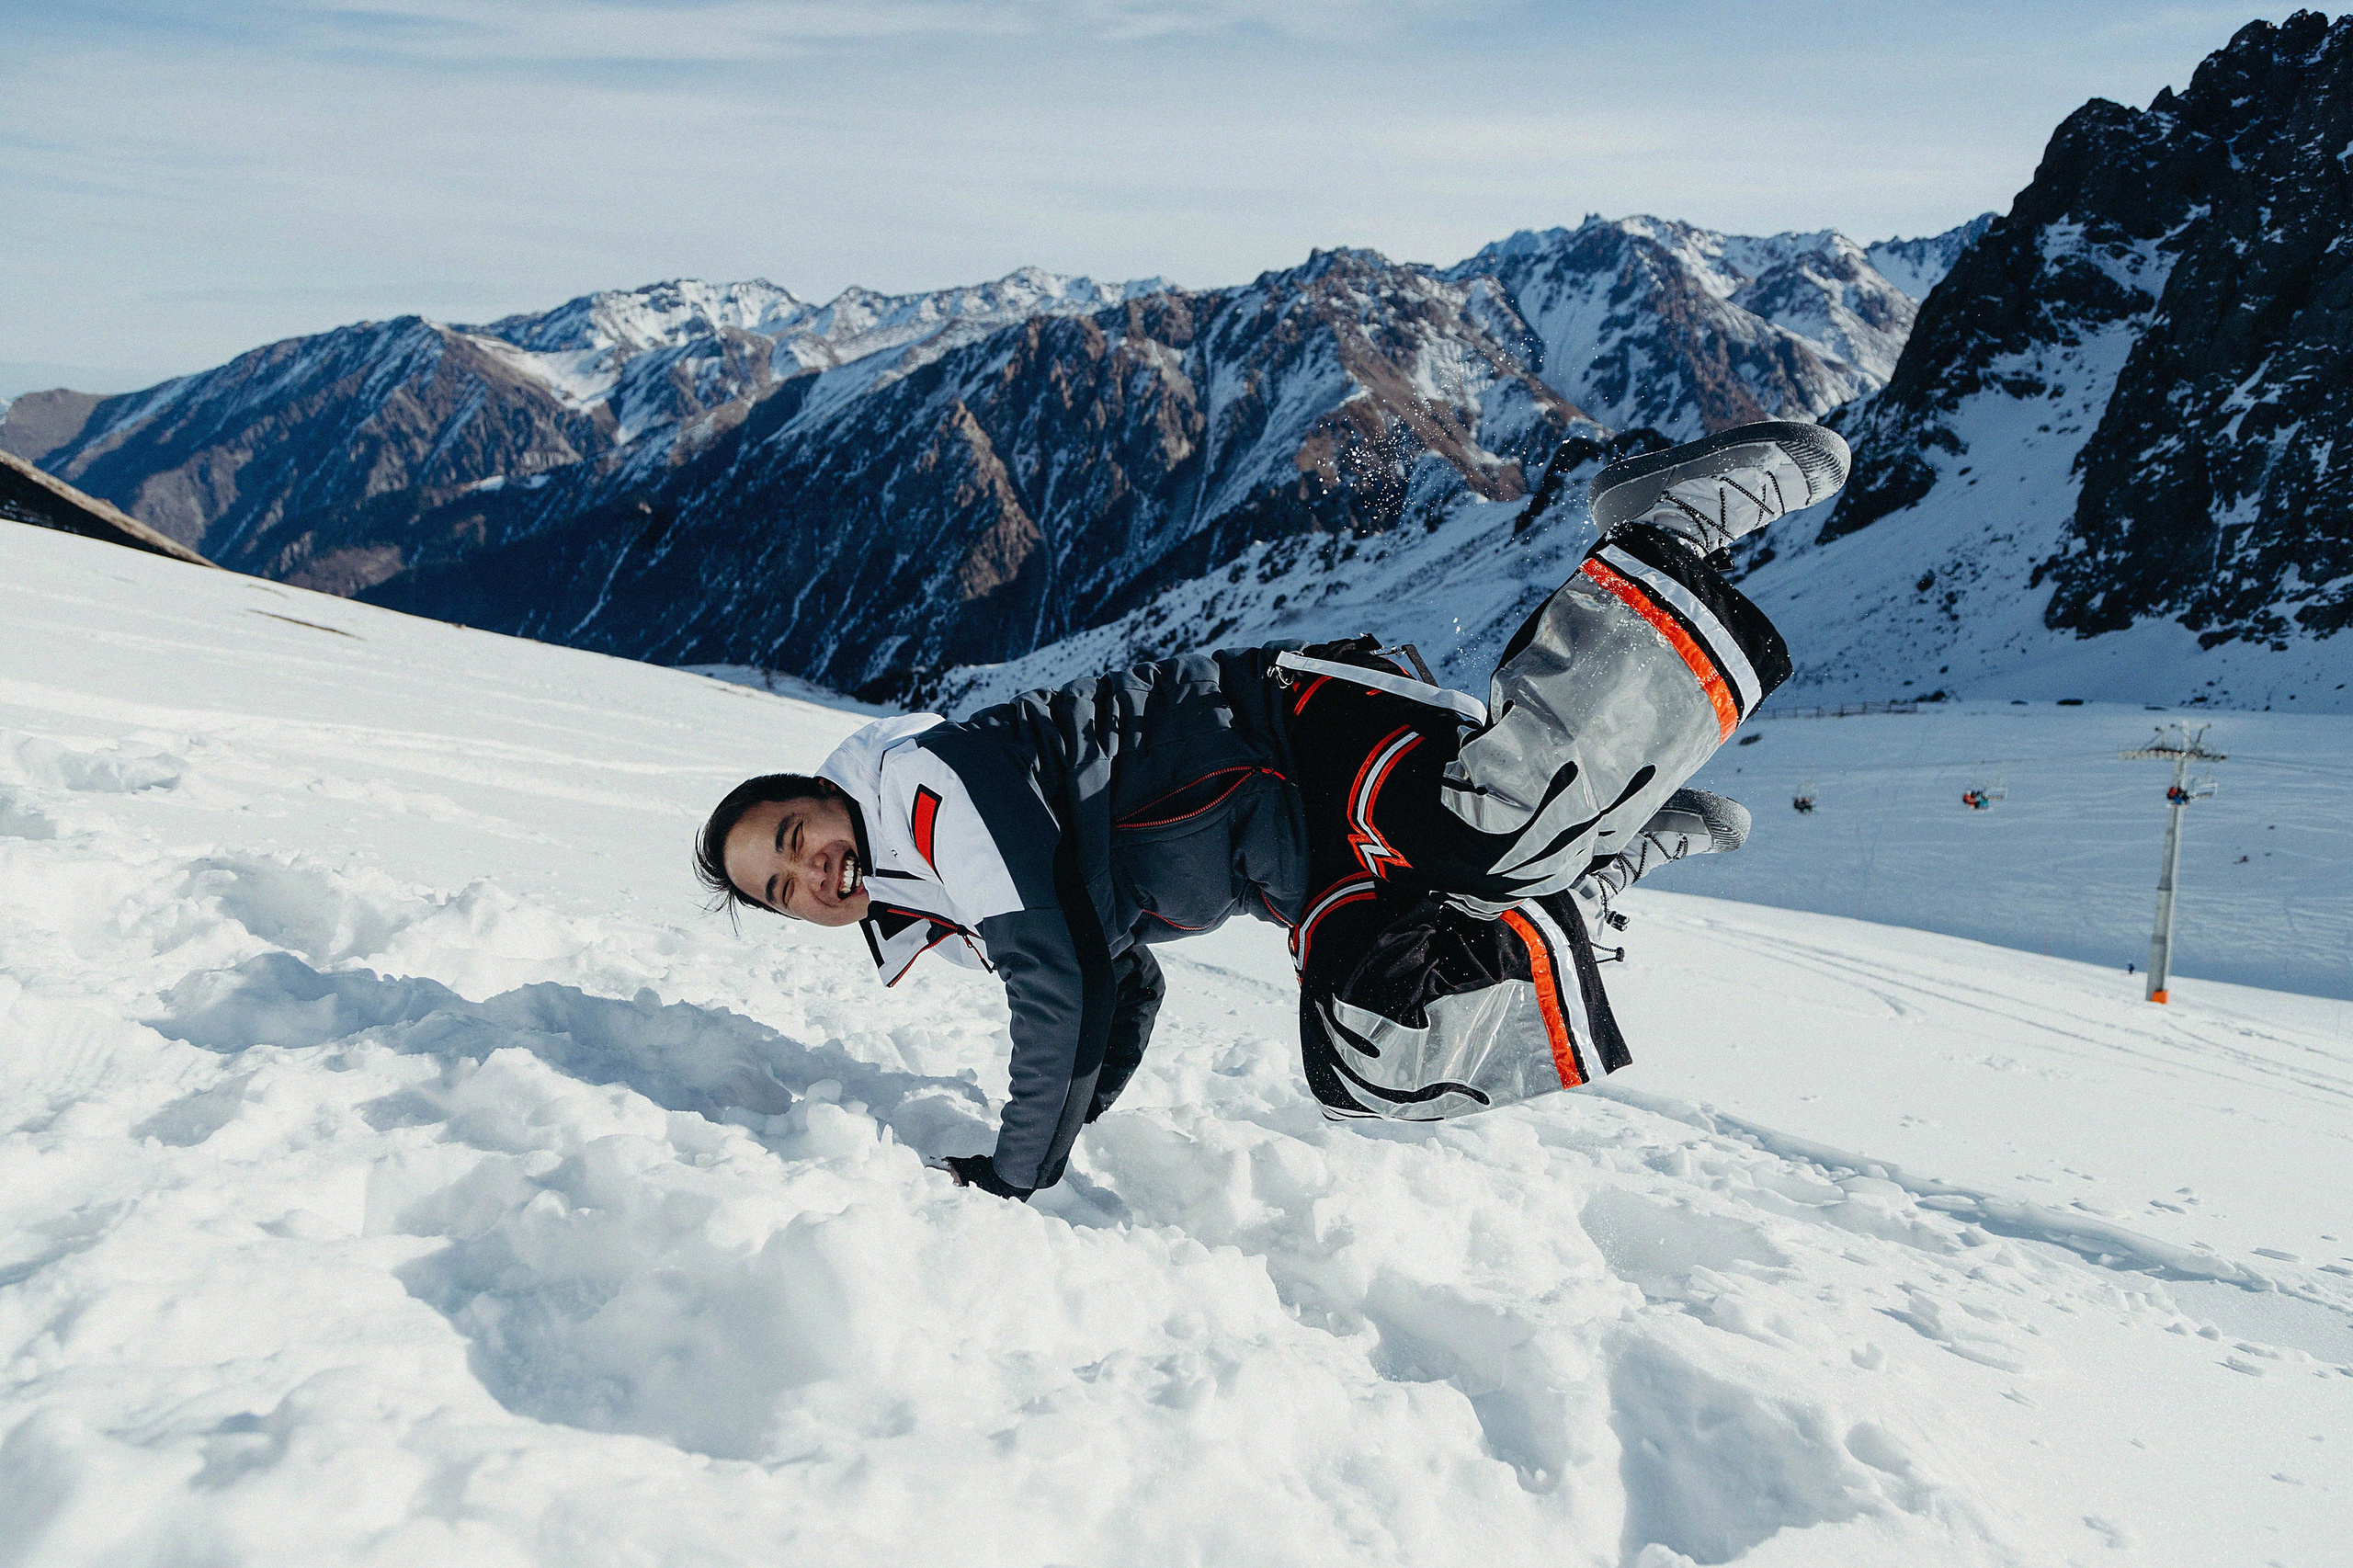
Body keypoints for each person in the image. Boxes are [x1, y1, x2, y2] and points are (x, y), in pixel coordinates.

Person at [696, 421, 1849, 1199]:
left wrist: (1020, 1167)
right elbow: (1123, 977)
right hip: (1292, 867)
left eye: (797, 837)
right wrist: (1074, 1118)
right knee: (1373, 1051)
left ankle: (1668, 530)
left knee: (1476, 827)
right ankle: (1607, 853)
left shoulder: (921, 786)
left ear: (824, 790)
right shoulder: (925, 895)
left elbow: (1063, 970)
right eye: (780, 886)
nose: (812, 874)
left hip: (1294, 740)